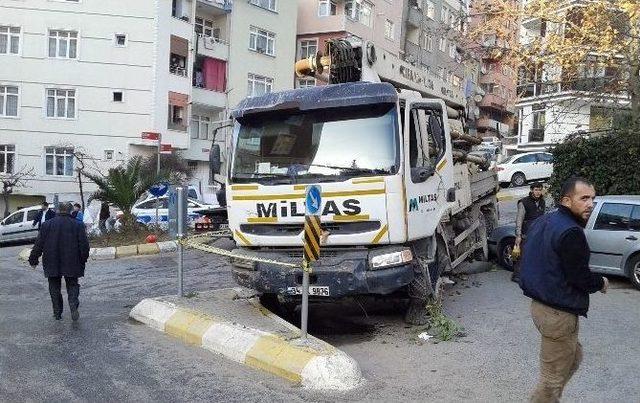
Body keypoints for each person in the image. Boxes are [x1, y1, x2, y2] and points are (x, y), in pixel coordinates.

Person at [520, 177, 608, 402]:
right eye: (584, 198)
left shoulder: (544, 221)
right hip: (557, 313)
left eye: (593, 199)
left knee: (574, 357)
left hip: (541, 307)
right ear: (567, 201)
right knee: (551, 381)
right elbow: (580, 277)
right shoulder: (570, 232)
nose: (590, 204)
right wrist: (600, 283)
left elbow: (532, 258)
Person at [28, 202, 90, 321]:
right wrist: (83, 259)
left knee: (54, 286)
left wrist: (33, 259)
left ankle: (57, 313)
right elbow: (84, 245)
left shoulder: (47, 225)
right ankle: (73, 306)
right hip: (72, 260)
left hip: (51, 260)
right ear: (71, 211)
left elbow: (38, 244)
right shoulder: (78, 225)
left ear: (57, 211)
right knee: (72, 284)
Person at [512, 182, 546, 282]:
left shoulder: (542, 201)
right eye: (536, 190)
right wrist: (518, 235)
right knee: (522, 254)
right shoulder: (523, 202)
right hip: (526, 233)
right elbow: (519, 219)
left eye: (540, 190)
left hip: (538, 232)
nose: (538, 192)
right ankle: (517, 276)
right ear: (531, 190)